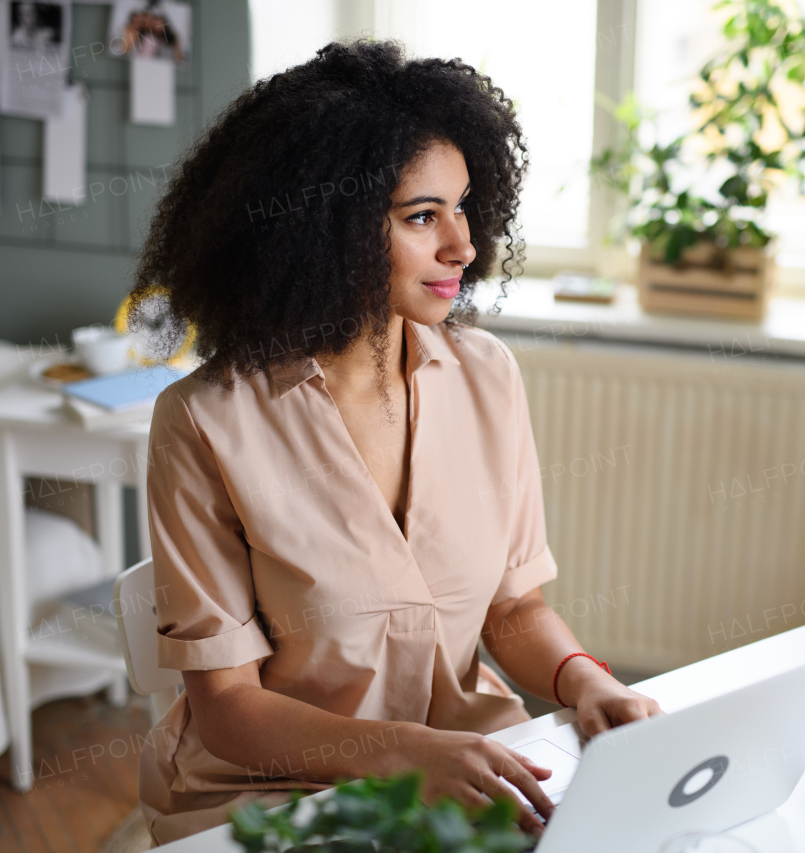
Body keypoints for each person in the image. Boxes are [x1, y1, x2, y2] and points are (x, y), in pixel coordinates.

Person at [127, 39, 663, 845]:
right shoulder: (205, 421)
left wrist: (583, 679)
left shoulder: (487, 375)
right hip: (275, 788)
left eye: (464, 205)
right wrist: (404, 755)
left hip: (468, 755)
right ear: (326, 229)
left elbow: (513, 608)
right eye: (422, 216)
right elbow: (228, 708)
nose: (464, 244)